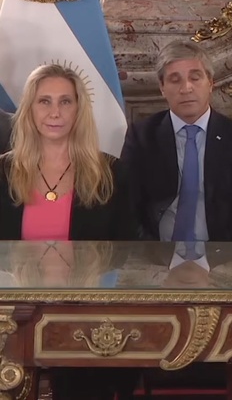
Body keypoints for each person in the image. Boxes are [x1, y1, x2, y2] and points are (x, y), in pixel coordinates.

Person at [0, 64, 138, 400]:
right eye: (44, 101)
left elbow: (125, 256)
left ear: (79, 109)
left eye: (65, 101)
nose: (55, 112)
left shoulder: (110, 173)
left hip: (84, 315)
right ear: (29, 109)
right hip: (11, 315)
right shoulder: (3, 171)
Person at [120, 40, 232, 242]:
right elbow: (127, 208)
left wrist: (223, 254)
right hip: (156, 252)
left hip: (221, 253)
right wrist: (150, 252)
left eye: (195, 78)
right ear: (162, 87)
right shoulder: (142, 136)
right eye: (175, 80)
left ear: (210, 83)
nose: (186, 88)